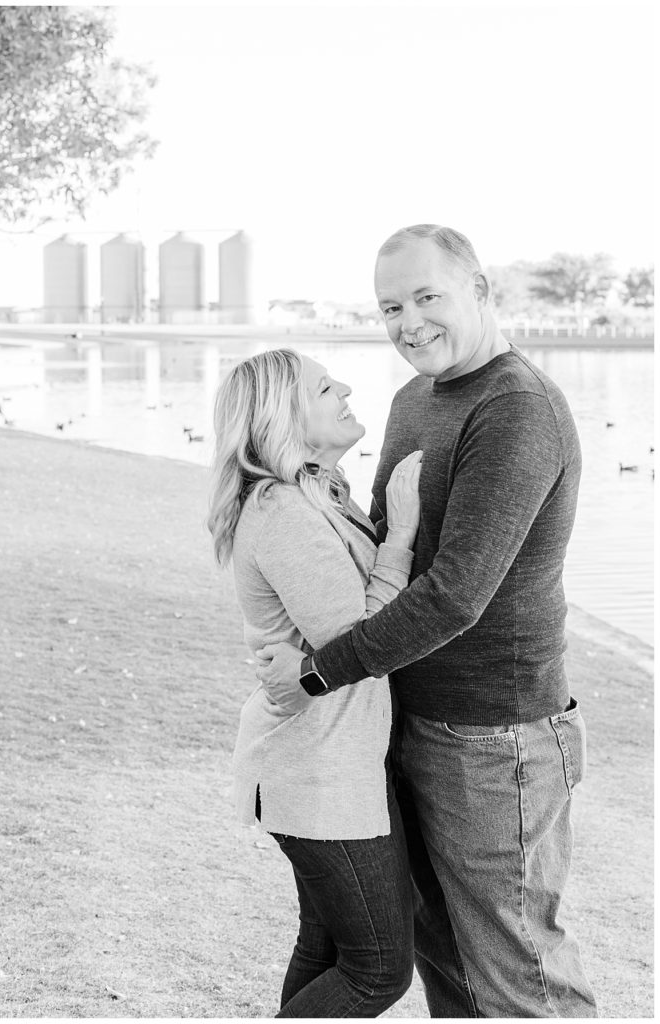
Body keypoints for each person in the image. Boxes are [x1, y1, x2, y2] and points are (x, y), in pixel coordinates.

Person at [257, 225, 599, 1018]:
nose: (408, 322)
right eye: (389, 307)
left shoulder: (518, 407)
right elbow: (390, 551)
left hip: (494, 739)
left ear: (480, 289)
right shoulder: (415, 400)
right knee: (448, 965)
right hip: (409, 719)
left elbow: (453, 595)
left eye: (426, 297)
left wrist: (316, 671)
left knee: (519, 976)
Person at [207, 347, 424, 1017]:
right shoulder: (279, 511)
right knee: (378, 972)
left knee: (327, 948)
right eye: (326, 387)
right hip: (319, 764)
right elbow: (359, 643)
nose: (348, 389)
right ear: (284, 417)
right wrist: (403, 532)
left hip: (328, 754)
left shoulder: (313, 495)